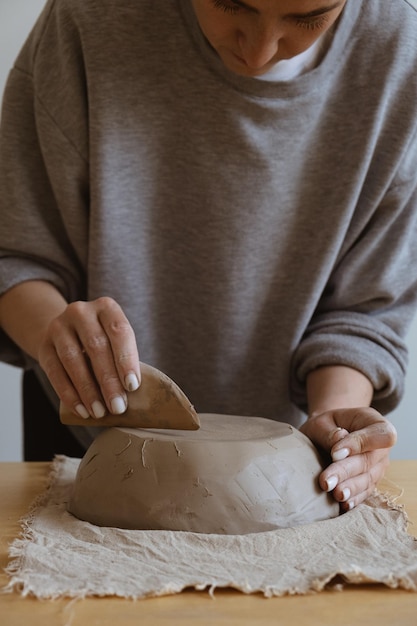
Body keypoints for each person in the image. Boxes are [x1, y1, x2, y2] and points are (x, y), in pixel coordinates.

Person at [0, 0, 416, 512]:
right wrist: (54, 334)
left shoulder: (400, 54)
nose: (260, 50)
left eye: (308, 18)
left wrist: (338, 424)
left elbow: (363, 308)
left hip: (285, 472)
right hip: (87, 443)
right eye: (231, 4)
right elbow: (15, 252)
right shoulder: (87, 18)